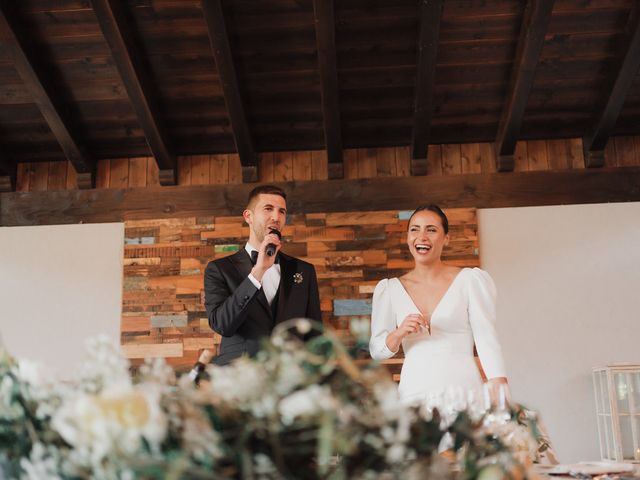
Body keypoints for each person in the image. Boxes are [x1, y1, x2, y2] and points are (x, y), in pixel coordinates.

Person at [369, 204, 508, 404]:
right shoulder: (390, 290)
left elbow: (486, 337)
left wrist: (499, 384)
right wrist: (399, 332)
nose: (422, 236)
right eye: (415, 229)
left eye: (431, 230)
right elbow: (376, 351)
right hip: (414, 394)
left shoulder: (469, 280)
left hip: (464, 392)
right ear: (408, 237)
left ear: (446, 238)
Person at [204, 185, 322, 365]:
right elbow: (222, 325)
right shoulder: (219, 269)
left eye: (282, 211)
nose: (276, 217)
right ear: (248, 217)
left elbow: (315, 335)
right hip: (239, 377)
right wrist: (257, 273)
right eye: (268, 209)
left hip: (292, 378)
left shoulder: (304, 270)